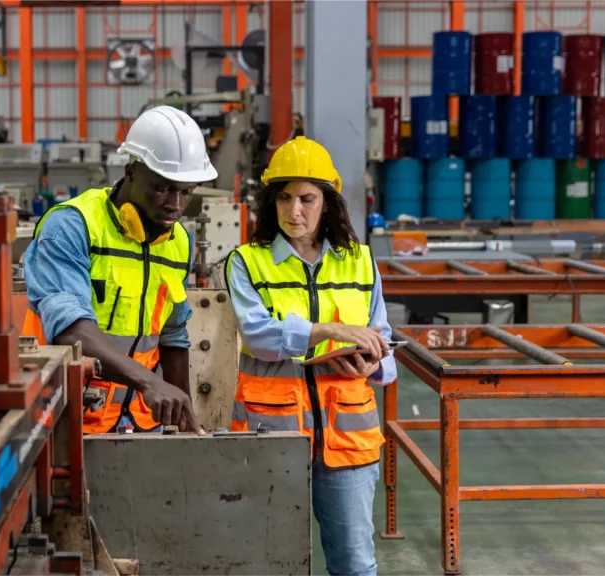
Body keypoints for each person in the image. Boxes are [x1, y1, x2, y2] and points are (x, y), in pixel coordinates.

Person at [225, 136, 396, 576]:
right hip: (271, 438)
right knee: (270, 562)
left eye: (307, 198)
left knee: (355, 564)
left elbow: (385, 340)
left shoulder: (360, 261)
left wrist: (374, 362)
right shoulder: (247, 262)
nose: (294, 210)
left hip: (348, 446)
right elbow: (260, 337)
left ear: (328, 203)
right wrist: (331, 330)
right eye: (283, 198)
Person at [23, 105, 216, 435]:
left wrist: (183, 411)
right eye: (161, 187)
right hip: (68, 415)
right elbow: (69, 326)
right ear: (130, 171)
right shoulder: (72, 226)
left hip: (141, 421)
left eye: (185, 192)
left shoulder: (179, 241)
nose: (175, 204)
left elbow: (173, 334)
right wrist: (149, 383)